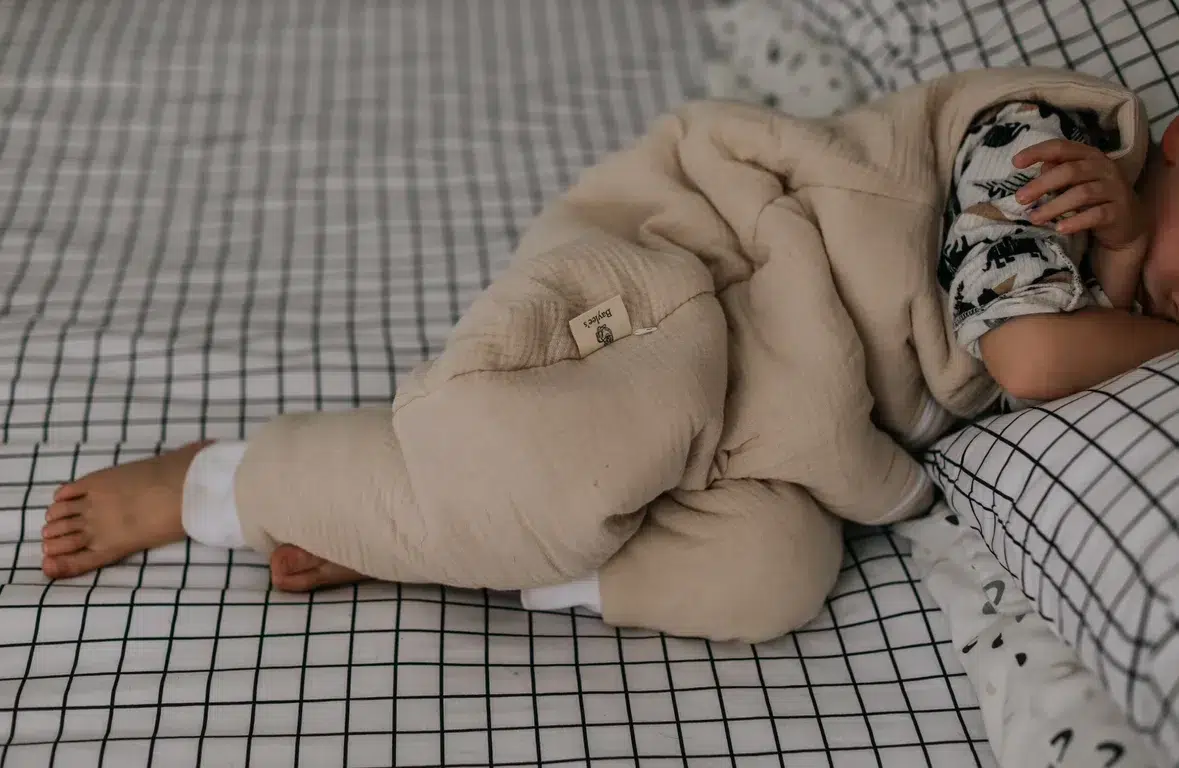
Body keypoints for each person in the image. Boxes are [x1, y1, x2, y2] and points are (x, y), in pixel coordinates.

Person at [35, 71, 1179, 640]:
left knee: (775, 576)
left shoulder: (1121, 281)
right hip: (694, 285)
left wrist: (1134, 270)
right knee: (550, 454)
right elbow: (1028, 356)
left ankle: (451, 544)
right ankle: (217, 483)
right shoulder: (1047, 150)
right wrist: (1129, 260)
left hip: (781, 420)